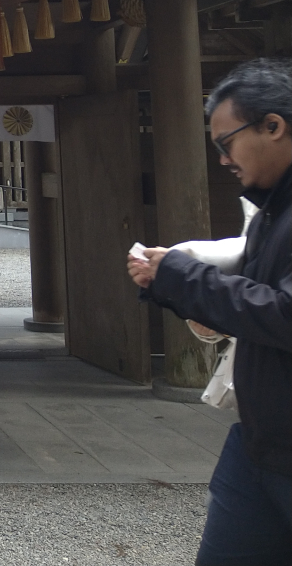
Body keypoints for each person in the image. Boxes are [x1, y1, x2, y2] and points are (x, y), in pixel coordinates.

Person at [126, 58, 292, 565]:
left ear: (274, 126)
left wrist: (183, 276)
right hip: (261, 440)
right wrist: (172, 283)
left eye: (226, 143)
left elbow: (285, 313)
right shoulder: (272, 209)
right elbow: (251, 298)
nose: (222, 159)